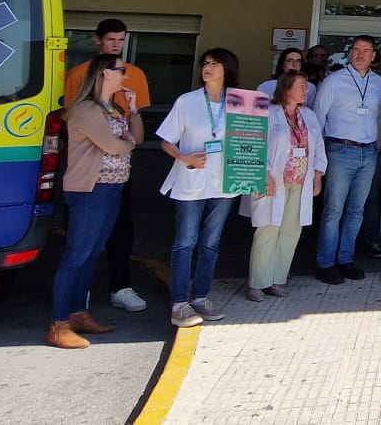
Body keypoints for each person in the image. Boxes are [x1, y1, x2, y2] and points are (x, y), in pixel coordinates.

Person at [48, 54, 142, 349]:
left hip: (112, 187)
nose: (125, 75)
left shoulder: (114, 108)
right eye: (121, 70)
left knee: (91, 254)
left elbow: (137, 137)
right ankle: (59, 323)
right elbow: (114, 145)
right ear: (105, 73)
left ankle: (78, 313)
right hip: (90, 189)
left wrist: (134, 110)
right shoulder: (86, 109)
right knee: (77, 255)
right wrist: (128, 145)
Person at [61, 18, 153, 315]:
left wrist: (129, 131)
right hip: (88, 175)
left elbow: (135, 133)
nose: (117, 45)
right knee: (80, 244)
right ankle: (72, 305)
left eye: (121, 40)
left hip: (117, 174)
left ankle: (119, 287)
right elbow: (78, 122)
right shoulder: (79, 78)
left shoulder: (134, 77)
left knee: (119, 228)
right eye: (111, 39)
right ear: (97, 40)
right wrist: (124, 143)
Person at [156, 48, 241, 327]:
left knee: (211, 243)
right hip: (192, 180)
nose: (208, 67)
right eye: (205, 63)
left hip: (224, 182)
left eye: (215, 63)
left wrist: (253, 175)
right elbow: (166, 141)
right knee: (185, 241)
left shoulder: (240, 103)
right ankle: (179, 302)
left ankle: (201, 296)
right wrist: (184, 157)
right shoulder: (188, 101)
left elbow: (252, 140)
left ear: (227, 69)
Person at [241, 70, 325, 301]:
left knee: (291, 231)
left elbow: (318, 147)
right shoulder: (269, 113)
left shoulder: (309, 115)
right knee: (267, 230)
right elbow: (255, 146)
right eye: (301, 86)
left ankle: (277, 280)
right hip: (273, 181)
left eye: (306, 86)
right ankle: (257, 283)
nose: (306, 90)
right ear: (287, 89)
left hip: (300, 182)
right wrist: (264, 174)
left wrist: (318, 175)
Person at [312, 35, 381, 284]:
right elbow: (317, 118)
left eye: (366, 50)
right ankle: (326, 263)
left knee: (356, 209)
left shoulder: (379, 84)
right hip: (340, 151)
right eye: (356, 49)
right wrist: (318, 157)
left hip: (369, 152)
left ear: (373, 55)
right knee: (334, 210)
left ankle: (345, 259)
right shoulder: (334, 81)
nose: (360, 54)